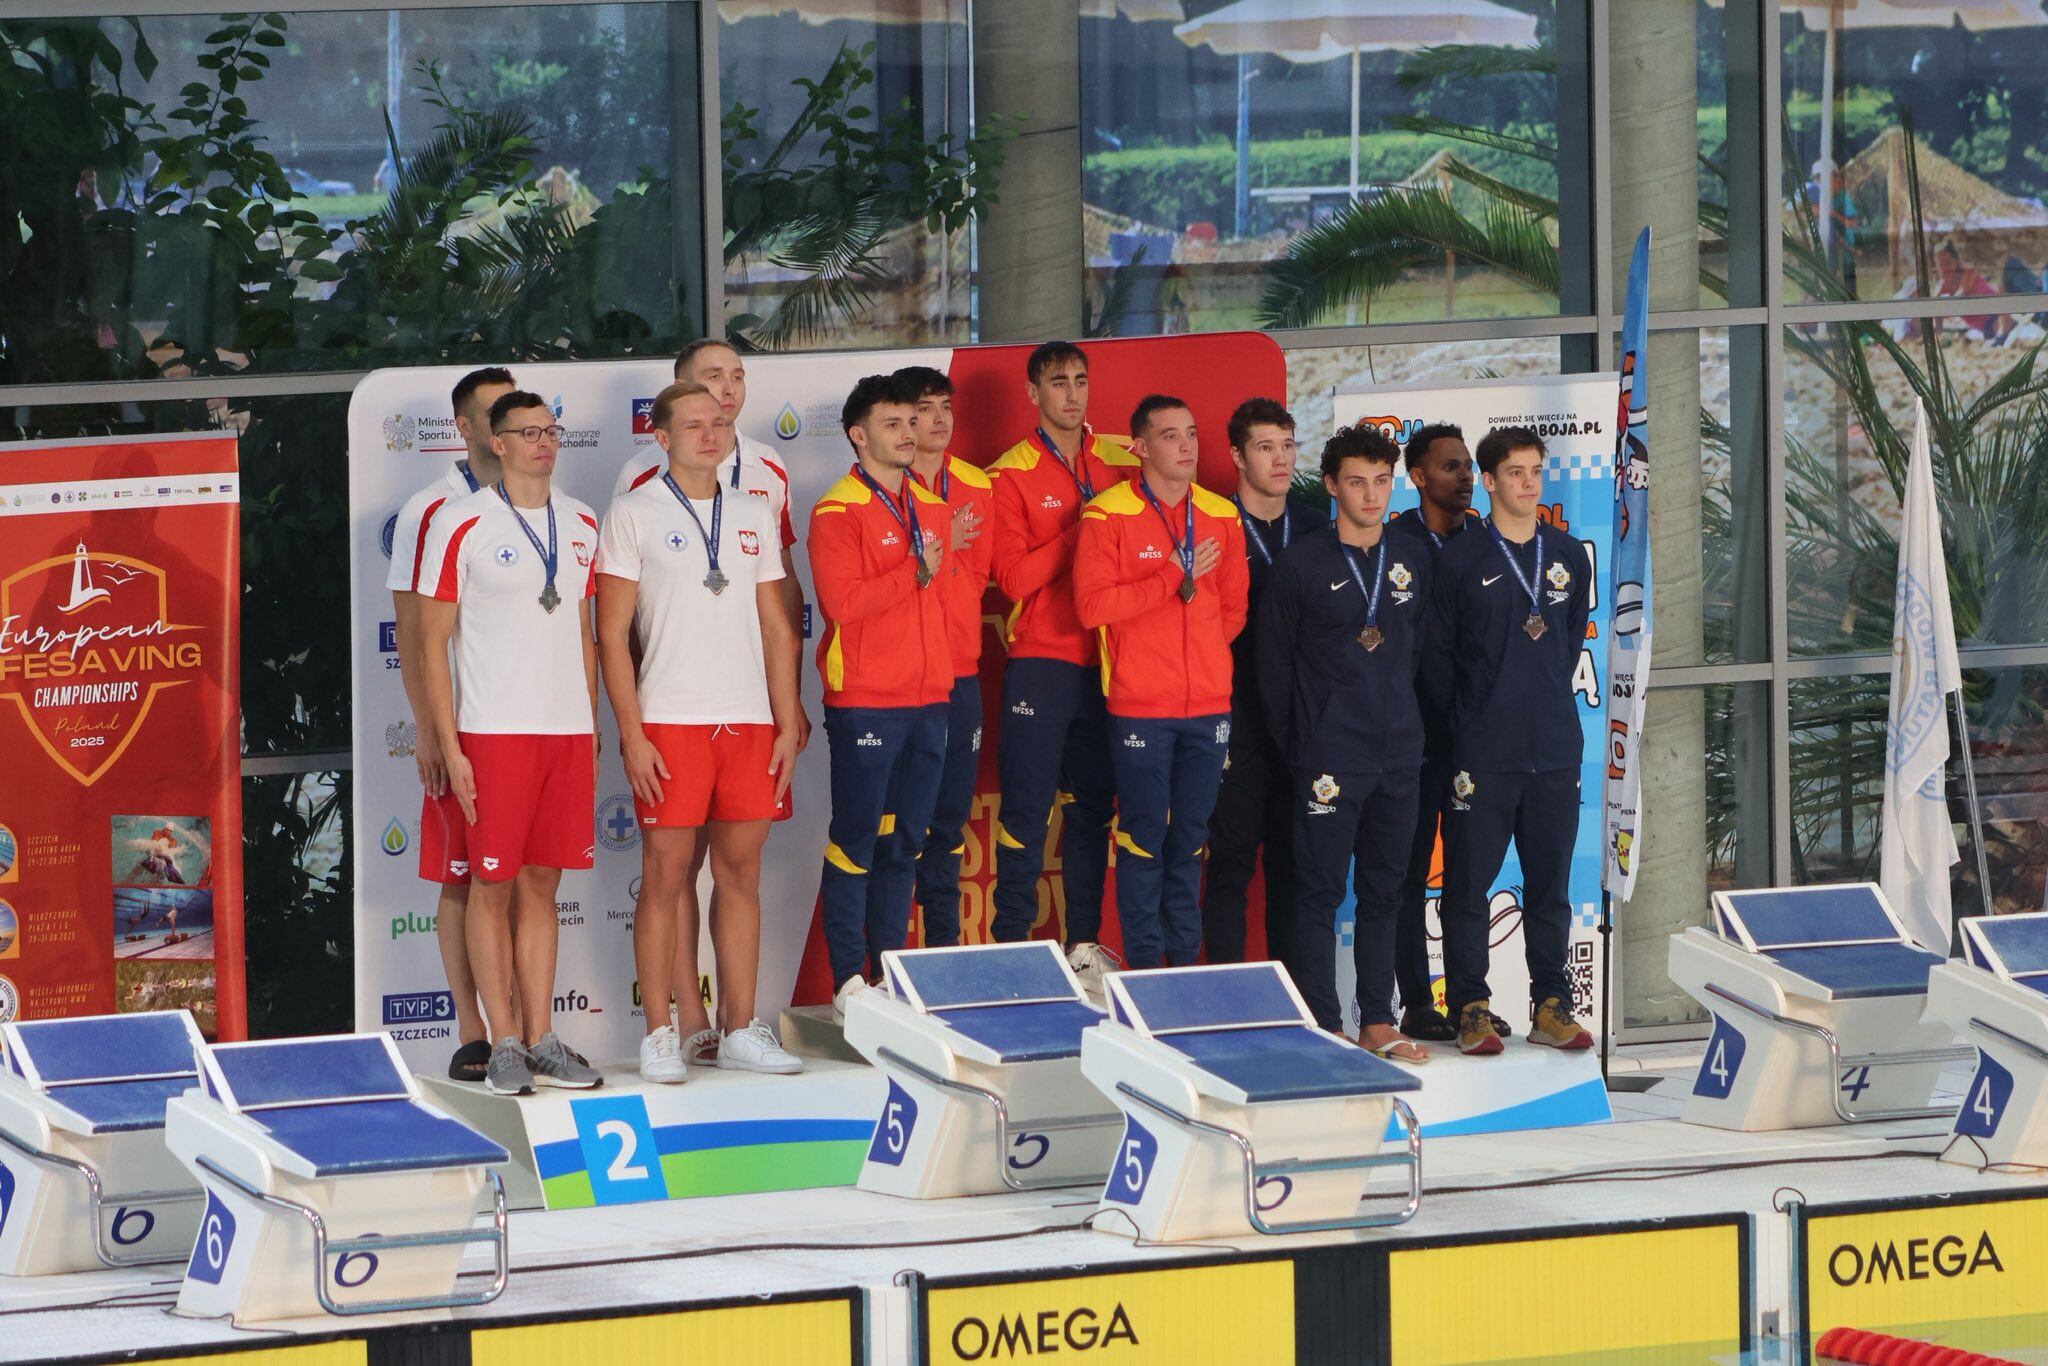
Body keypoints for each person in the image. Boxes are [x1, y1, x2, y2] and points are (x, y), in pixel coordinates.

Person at [597, 382, 805, 1083]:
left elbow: (778, 626)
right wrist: (632, 733)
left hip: (746, 719)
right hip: (671, 718)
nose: (710, 435)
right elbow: (609, 631)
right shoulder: (632, 512)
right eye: (692, 425)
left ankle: (740, 1024)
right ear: (661, 437)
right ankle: (660, 1030)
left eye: (718, 423)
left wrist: (784, 720)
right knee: (663, 876)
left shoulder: (755, 509)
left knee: (741, 874)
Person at [419, 389, 606, 1095]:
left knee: (542, 885)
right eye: (528, 433)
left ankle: (542, 1036)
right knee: (490, 885)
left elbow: (586, 637)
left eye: (550, 431)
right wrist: (450, 742)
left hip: (564, 730)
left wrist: (591, 726)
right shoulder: (460, 524)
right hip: (492, 731)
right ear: (496, 442)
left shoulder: (583, 522)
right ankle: (502, 1041)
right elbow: (432, 643)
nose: (543, 443)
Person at [1257, 425, 1431, 1058]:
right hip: (1327, 759)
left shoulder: (1412, 557)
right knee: (1319, 893)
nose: (1371, 494)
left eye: (1382, 481)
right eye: (1357, 482)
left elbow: (1417, 655)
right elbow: (1272, 671)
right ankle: (1324, 1025)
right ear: (1331, 486)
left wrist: (1403, 729)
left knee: (1386, 890)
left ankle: (1378, 1020)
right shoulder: (1300, 563)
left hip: (1397, 757)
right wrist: (1305, 744)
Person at [1426, 426, 1595, 1056]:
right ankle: (1470, 1005)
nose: (1528, 483)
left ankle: (1552, 1005)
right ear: (1489, 481)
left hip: (1553, 747)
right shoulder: (1460, 559)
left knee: (1551, 885)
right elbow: (1439, 661)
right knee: (1468, 884)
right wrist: (1472, 722)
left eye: (1536, 472)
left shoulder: (1570, 555)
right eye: (1515, 473)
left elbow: (1568, 639)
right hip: (1482, 752)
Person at [1074, 395, 1247, 970]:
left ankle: (1184, 966)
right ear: (1141, 448)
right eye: (1171, 435)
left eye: (1192, 433)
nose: (1187, 445)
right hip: (1141, 705)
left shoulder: (1222, 514)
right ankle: (1146, 970)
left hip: (1208, 705)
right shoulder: (1106, 514)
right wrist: (1173, 574)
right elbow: (1093, 606)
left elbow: (1233, 610)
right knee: (1144, 838)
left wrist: (1198, 657)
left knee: (1190, 841)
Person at [986, 342, 1140, 990]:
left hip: (1108, 660)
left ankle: (1082, 945)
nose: (1072, 395)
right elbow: (1016, 579)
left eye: (1080, 381)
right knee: (1025, 810)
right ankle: (1012, 951)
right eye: (1057, 383)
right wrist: (1088, 524)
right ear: (1033, 394)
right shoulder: (1008, 473)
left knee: (1090, 811)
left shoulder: (1118, 460)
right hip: (1042, 661)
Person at [808, 374, 954, 1018]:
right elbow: (844, 604)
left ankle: (888, 974)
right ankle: (846, 982)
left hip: (930, 697)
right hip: (867, 698)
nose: (907, 433)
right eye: (892, 424)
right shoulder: (837, 511)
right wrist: (913, 569)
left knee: (908, 842)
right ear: (859, 435)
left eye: (910, 421)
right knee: (857, 838)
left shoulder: (931, 505)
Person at [386, 365, 517, 1081]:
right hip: (463, 730)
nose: (509, 427)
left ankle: (523, 1030)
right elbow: (412, 637)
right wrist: (432, 733)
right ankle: (473, 1031)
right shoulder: (429, 511)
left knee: (522, 883)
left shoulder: (543, 507)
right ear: (465, 429)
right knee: (463, 879)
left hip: (525, 729)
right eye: (495, 414)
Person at [1200, 397, 1321, 966]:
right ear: (1236, 455)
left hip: (1305, 720)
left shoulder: (1319, 527)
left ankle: (1298, 1006)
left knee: (1296, 866)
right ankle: (1225, 1004)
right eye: (1265, 447)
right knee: (1230, 864)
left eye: (1288, 446)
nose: (1280, 459)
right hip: (1235, 716)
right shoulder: (1211, 523)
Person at [1382, 422, 1481, 1044]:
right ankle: (1416, 1001)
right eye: (1450, 467)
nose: (1465, 476)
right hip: (1411, 742)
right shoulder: (1391, 545)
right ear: (1417, 477)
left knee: (1469, 874)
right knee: (1407, 872)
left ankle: (1472, 999)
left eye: (1469, 466)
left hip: (1477, 740)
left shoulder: (1490, 544)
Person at [895, 365, 995, 948]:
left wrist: (947, 554)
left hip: (959, 671)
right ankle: (885, 961)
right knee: (897, 826)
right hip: (902, 678)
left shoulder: (978, 485)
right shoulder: (887, 488)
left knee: (949, 822)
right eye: (923, 409)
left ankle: (942, 952)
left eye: (943, 408)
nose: (936, 420)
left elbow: (977, 580)